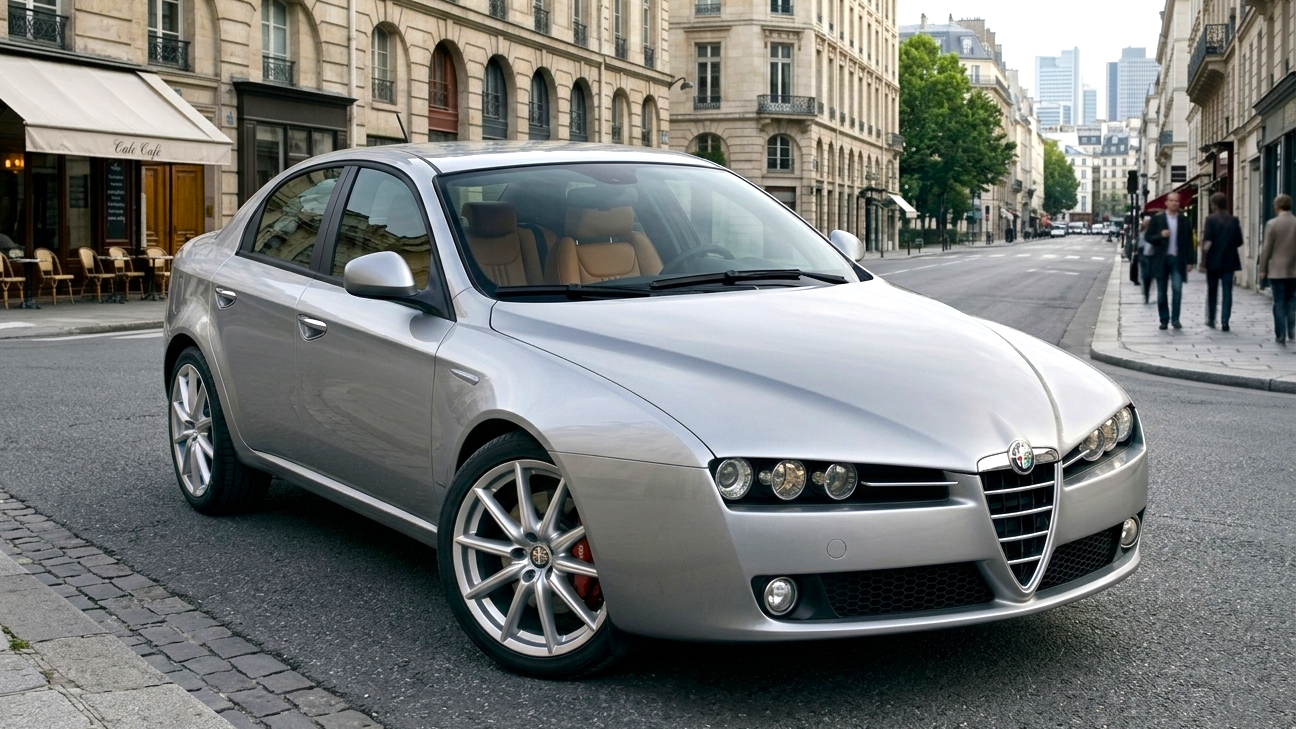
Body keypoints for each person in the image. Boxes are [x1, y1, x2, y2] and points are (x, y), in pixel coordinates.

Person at [1143, 192, 1196, 329]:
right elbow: (1148, 237)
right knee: (1162, 292)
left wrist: (1190, 261)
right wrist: (1160, 235)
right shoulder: (1157, 219)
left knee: (1177, 289)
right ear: (1166, 203)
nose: (1174, 203)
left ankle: (1175, 319)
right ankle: (1164, 319)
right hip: (1161, 260)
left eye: (1176, 201)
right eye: (1171, 201)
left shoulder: (1184, 220)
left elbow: (1189, 242)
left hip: (1177, 260)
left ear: (1179, 203)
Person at [1199, 192, 1244, 331]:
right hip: (1229, 260)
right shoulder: (1234, 220)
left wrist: (1203, 261)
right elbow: (1239, 241)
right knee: (1227, 292)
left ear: (1215, 205)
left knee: (1212, 291)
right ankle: (1225, 321)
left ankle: (1211, 318)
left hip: (1213, 260)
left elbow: (1207, 241)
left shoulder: (1210, 220)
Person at [1258, 193, 1296, 345]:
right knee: (1292, 300)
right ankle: (1291, 329)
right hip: (1294, 270)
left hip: (1277, 270)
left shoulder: (1272, 224)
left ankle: (1280, 334)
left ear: (1277, 207)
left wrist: (1262, 269)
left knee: (1279, 302)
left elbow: (1266, 249)